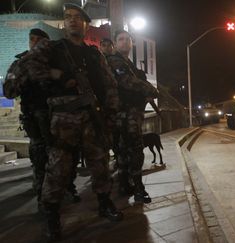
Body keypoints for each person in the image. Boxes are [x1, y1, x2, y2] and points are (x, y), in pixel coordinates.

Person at [16, 4, 122, 241]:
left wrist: (111, 114)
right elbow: (27, 66)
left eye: (77, 18)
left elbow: (110, 86)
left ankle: (104, 203)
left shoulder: (95, 55)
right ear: (64, 24)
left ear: (86, 24)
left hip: (92, 117)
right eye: (68, 18)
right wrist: (57, 75)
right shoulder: (51, 48)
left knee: (100, 163)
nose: (72, 21)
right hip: (63, 118)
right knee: (57, 169)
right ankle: (52, 217)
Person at [3, 28, 80, 212]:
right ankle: (42, 200)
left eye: (40, 40)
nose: (35, 43)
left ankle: (68, 188)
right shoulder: (20, 63)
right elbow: (9, 91)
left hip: (60, 120)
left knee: (68, 157)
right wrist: (24, 70)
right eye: (32, 39)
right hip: (36, 121)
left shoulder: (59, 62)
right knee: (39, 161)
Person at [106, 30, 158, 203]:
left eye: (128, 39)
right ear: (115, 43)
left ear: (132, 43)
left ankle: (124, 184)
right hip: (125, 113)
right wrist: (151, 90)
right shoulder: (115, 61)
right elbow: (127, 82)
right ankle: (138, 188)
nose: (125, 42)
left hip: (127, 113)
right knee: (135, 149)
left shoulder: (127, 63)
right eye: (121, 39)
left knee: (124, 150)